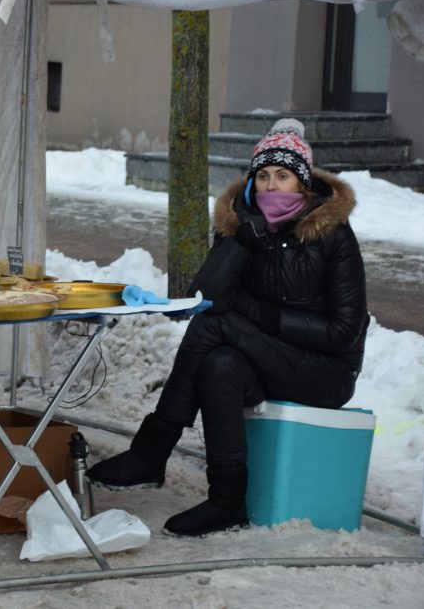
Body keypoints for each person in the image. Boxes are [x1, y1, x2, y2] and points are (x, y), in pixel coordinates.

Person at [87, 118, 370, 537]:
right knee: (218, 363)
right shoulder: (244, 225)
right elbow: (205, 295)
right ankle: (226, 501)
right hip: (261, 359)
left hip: (324, 372)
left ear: (303, 185)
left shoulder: (333, 237)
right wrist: (240, 240)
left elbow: (344, 331)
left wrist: (259, 316)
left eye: (284, 176)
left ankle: (151, 451)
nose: (272, 186)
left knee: (211, 331)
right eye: (263, 176)